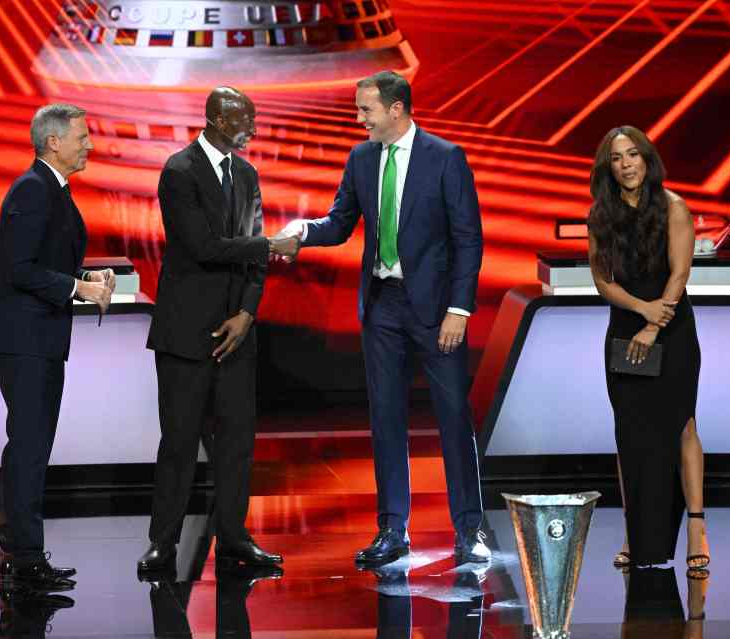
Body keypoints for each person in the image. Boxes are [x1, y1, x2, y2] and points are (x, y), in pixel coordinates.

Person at [281, 71, 490, 564]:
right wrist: (302, 231)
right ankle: (392, 531)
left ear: (396, 109)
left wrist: (459, 309)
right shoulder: (361, 158)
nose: (359, 120)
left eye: (365, 110)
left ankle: (469, 531)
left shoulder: (445, 158)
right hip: (383, 307)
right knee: (386, 419)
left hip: (438, 310)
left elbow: (468, 239)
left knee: (454, 419)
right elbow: (338, 224)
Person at [137, 87, 297, 573]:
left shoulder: (247, 174)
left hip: (237, 333)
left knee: (237, 442)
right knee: (180, 442)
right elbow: (201, 247)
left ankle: (233, 538)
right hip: (187, 333)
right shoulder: (179, 172)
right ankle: (163, 543)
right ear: (214, 119)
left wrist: (247, 314)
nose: (250, 128)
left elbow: (252, 260)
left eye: (252, 119)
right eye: (241, 120)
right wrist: (269, 244)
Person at [0, 103, 114, 590]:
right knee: (30, 447)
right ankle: (25, 557)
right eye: (82, 136)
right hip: (25, 339)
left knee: (30, 445)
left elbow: (44, 261)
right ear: (53, 142)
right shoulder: (33, 189)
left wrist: (82, 276)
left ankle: (18, 549)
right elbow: (16, 269)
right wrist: (78, 289)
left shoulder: (50, 188)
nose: (89, 144)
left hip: (39, 336)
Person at [586, 125, 710, 570]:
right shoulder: (600, 215)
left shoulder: (675, 208)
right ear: (608, 168)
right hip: (626, 328)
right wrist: (642, 311)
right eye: (617, 158)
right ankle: (635, 532)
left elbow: (679, 274)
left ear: (647, 159)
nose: (626, 165)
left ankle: (696, 527)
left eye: (633, 155)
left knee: (682, 426)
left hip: (672, 329)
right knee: (631, 436)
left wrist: (656, 323)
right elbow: (602, 281)